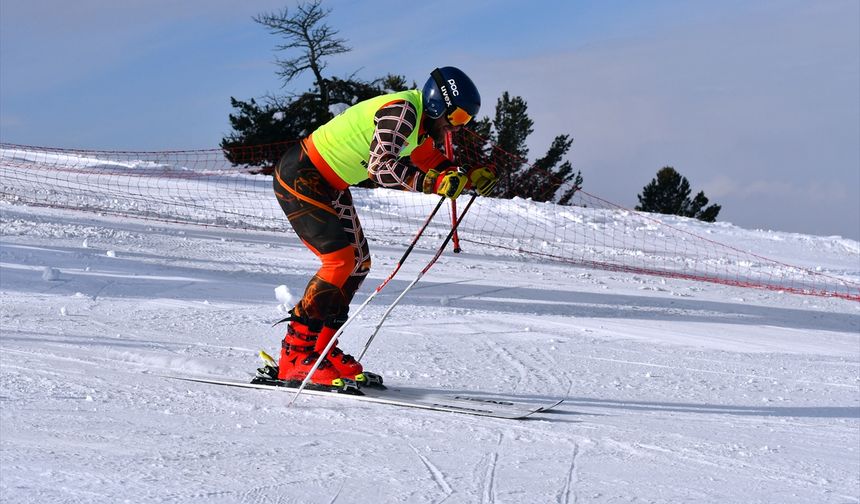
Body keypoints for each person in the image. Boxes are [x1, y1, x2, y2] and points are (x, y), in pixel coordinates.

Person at [270, 66, 497, 388]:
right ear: (437, 103)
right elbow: (381, 168)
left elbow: (428, 160)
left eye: (464, 122)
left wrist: (465, 175)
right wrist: (432, 183)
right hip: (301, 176)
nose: (456, 128)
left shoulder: (418, 126)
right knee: (339, 260)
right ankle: (295, 355)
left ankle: (320, 349)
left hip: (329, 185)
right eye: (456, 118)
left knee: (359, 264)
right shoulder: (402, 112)